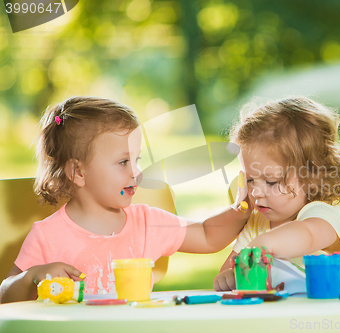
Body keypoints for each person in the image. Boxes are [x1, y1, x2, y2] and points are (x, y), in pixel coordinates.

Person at [0, 96, 249, 303]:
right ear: (78, 172)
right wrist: (32, 276)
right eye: (123, 162)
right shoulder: (47, 235)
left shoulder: (147, 222)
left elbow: (207, 235)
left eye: (136, 160)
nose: (136, 172)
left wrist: (241, 210)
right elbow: (5, 297)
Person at [213, 96, 340, 291]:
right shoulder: (257, 225)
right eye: (249, 180)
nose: (255, 191)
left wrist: (263, 244)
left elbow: (307, 235)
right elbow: (230, 273)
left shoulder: (322, 215)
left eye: (272, 181)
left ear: (313, 177)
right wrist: (232, 276)